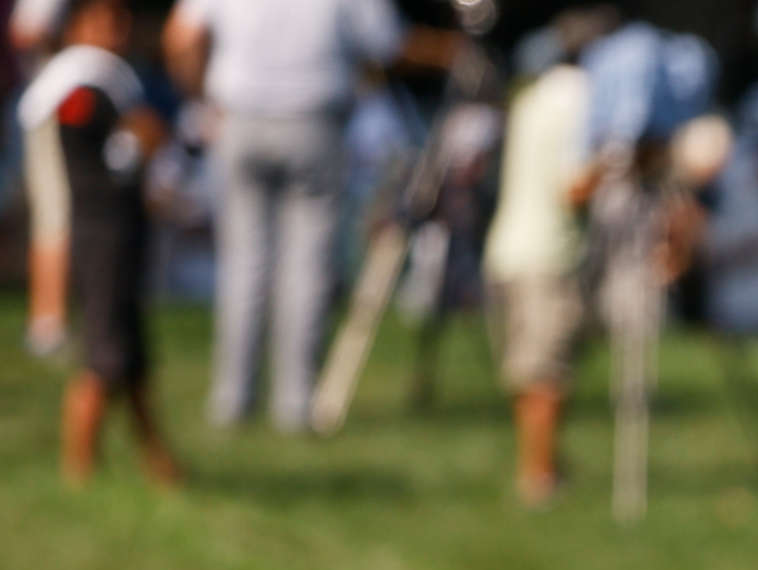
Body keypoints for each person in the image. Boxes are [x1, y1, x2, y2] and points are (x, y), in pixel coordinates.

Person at [161, 0, 462, 431]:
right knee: (307, 265)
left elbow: (181, 37)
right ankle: (295, 404)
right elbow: (388, 43)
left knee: (243, 263)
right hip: (312, 122)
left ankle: (233, 399)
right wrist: (449, 50)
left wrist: (201, 98)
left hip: (239, 118)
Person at [16, 0, 181, 486]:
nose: (114, 31)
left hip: (119, 232)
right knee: (105, 353)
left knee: (129, 355)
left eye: (120, 20)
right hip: (102, 231)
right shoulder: (81, 88)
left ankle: (154, 461)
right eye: (101, 21)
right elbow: (113, 146)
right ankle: (79, 466)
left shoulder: (103, 82)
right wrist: (143, 139)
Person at [483, 17, 593, 507]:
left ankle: (544, 466)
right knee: (546, 372)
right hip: (548, 254)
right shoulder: (581, 101)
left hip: (506, 248)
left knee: (527, 371)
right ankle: (539, 477)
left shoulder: (528, 98)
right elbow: (572, 188)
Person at [11, 0, 71, 356]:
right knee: (55, 215)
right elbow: (25, 32)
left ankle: (49, 319)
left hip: (58, 101)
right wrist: (74, 42)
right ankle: (48, 324)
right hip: (56, 103)